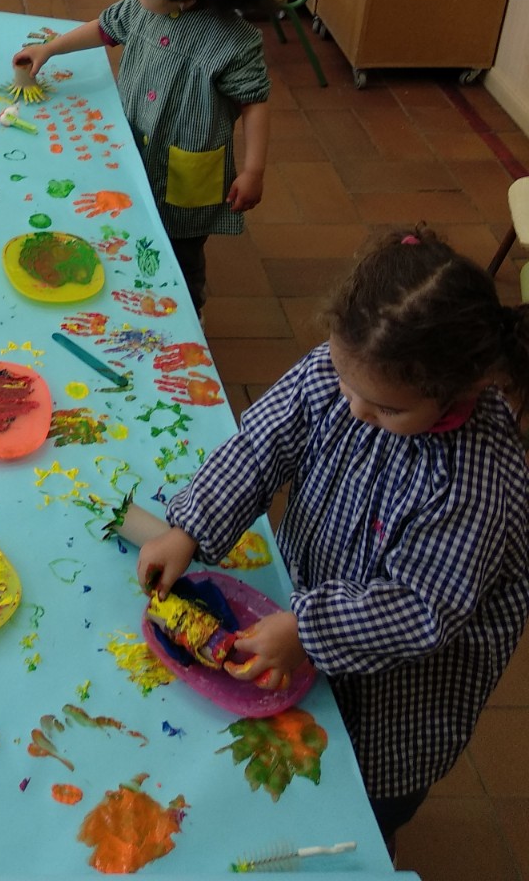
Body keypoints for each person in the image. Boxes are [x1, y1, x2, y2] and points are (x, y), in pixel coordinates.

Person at [136, 230, 529, 852]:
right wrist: (191, 526)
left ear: (459, 389)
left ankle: (369, 841)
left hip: (395, 705)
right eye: (346, 384)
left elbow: (418, 606)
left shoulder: (474, 481)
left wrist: (309, 630)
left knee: (355, 809)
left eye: (385, 410)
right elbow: (262, 444)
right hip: (307, 615)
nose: (354, 409)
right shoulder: (348, 370)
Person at [12, 0, 274, 313]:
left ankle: (188, 310)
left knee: (182, 250)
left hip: (186, 173)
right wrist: (50, 48)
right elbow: (104, 28)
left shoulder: (234, 44)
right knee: (129, 220)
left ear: (184, 0)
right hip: (133, 146)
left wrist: (254, 170)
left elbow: (254, 103)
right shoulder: (142, 10)